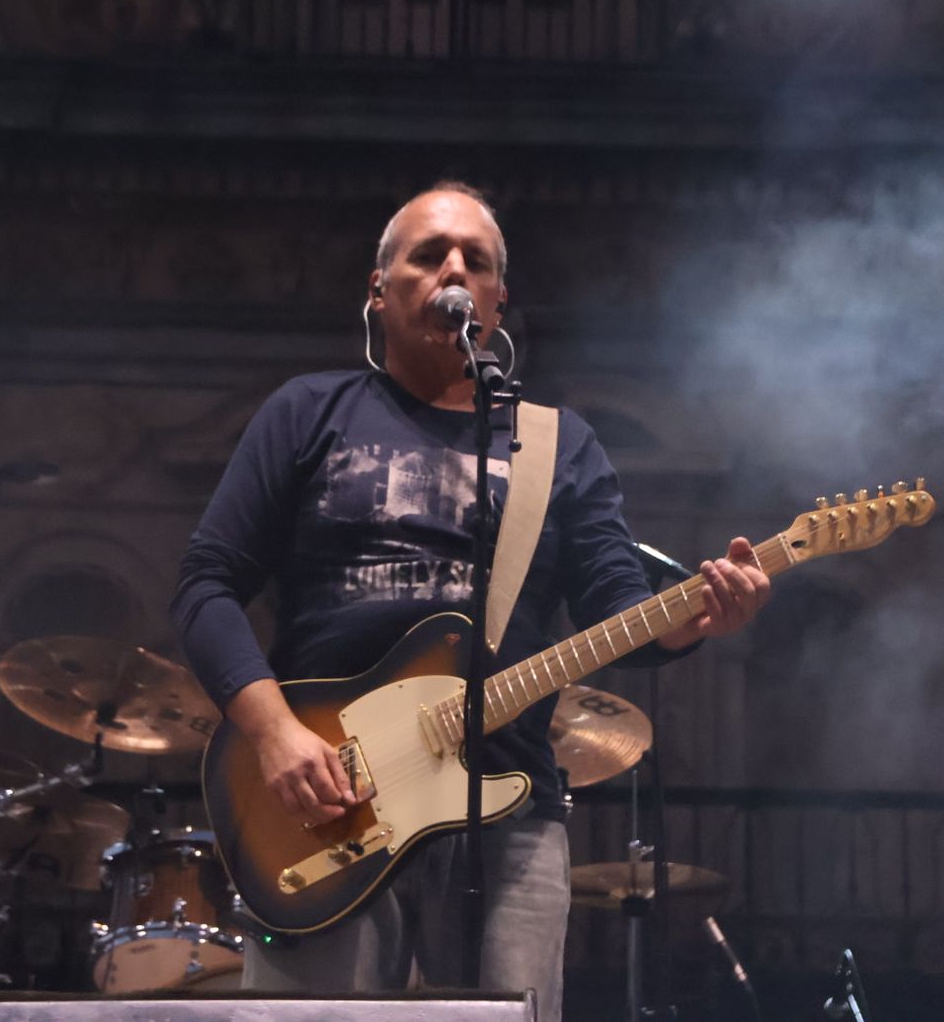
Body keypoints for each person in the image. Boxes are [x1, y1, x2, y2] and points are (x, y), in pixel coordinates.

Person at [171, 182, 771, 1018]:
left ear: (497, 302)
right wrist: (272, 732)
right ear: (378, 291)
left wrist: (695, 620)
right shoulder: (307, 412)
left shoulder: (558, 445)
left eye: (475, 261)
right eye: (428, 255)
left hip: (509, 803)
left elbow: (616, 609)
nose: (453, 268)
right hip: (328, 804)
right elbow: (205, 585)